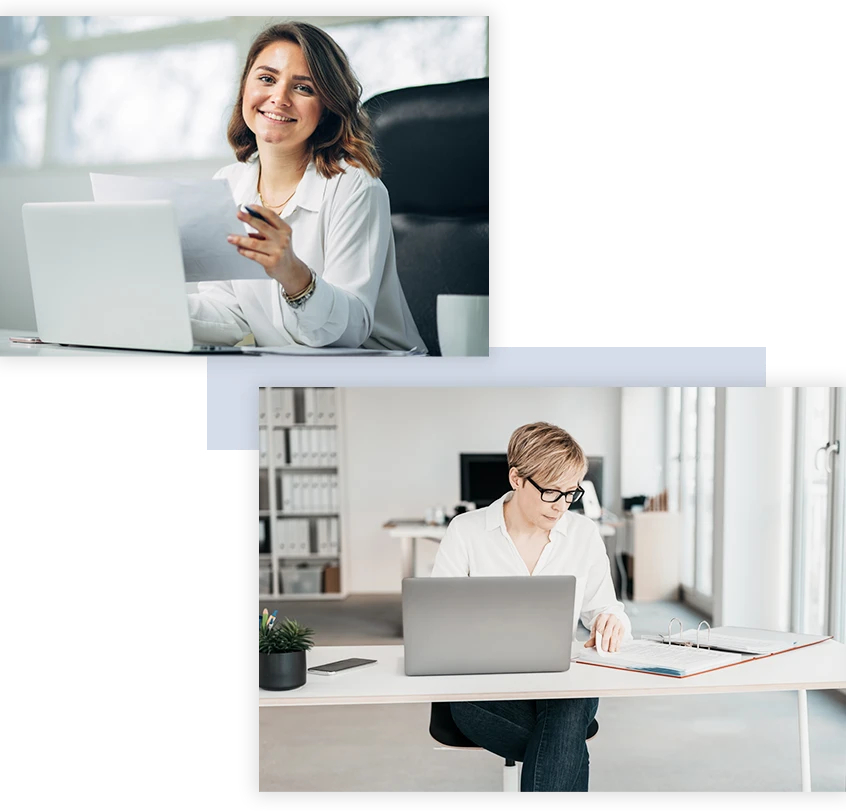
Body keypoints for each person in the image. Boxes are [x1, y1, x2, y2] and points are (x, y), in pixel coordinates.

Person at [187, 21, 426, 352]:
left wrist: (294, 275)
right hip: (289, 371)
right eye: (267, 79)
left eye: (303, 88)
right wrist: (144, 305)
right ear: (245, 88)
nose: (279, 98)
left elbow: (350, 332)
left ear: (326, 107)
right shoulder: (228, 183)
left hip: (376, 375)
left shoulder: (354, 187)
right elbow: (229, 313)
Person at [430, 421, 632, 792]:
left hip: (560, 683)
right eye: (551, 492)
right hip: (484, 691)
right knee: (565, 737)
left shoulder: (583, 534)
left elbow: (605, 607)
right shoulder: (466, 531)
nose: (561, 506)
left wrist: (611, 620)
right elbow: (437, 621)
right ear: (517, 479)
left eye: (571, 493)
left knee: (567, 708)